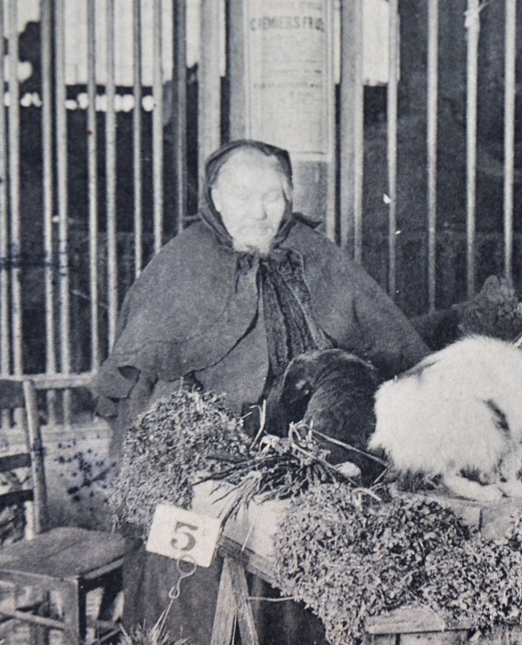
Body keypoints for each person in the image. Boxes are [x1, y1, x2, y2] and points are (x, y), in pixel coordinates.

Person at [93, 139, 431, 450]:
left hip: (321, 437)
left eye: (271, 197)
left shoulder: (313, 250)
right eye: (242, 197)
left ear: (288, 198)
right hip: (219, 444)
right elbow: (143, 384)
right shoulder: (182, 260)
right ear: (216, 199)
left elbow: (391, 342)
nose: (258, 213)